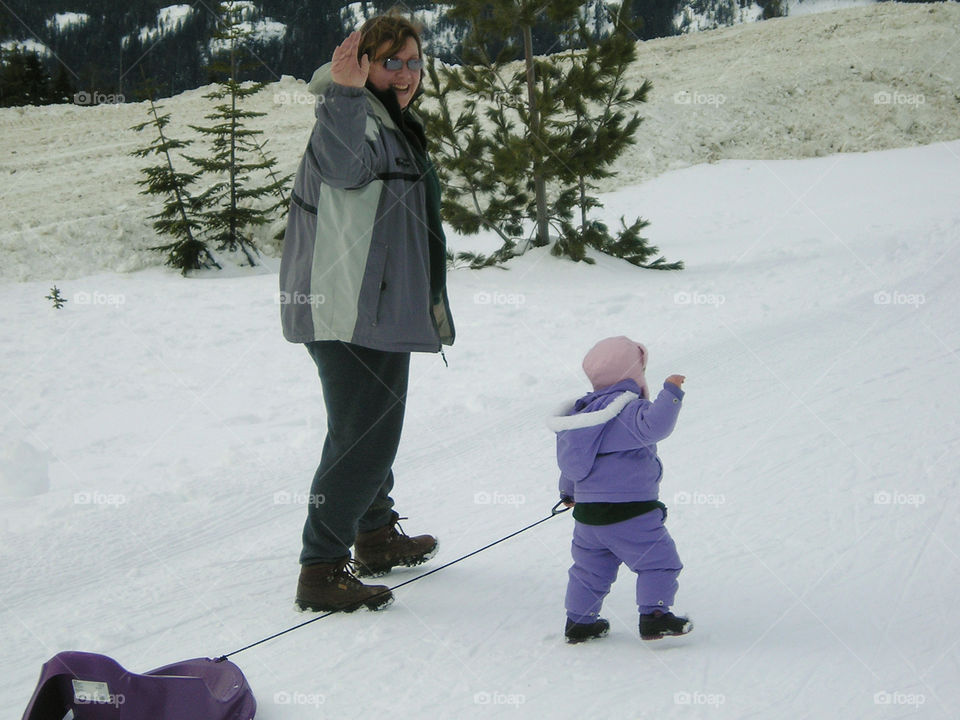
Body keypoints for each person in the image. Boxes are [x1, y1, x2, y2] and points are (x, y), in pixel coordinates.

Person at [278, 12, 455, 613]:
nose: (405, 74)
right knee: (364, 437)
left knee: (367, 426)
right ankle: (322, 566)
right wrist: (346, 92)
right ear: (363, 65)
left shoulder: (387, 120)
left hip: (371, 305)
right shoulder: (352, 116)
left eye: (413, 62)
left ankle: (375, 533)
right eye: (391, 62)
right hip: (348, 307)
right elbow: (341, 166)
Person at [547, 336, 692, 642]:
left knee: (589, 571)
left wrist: (568, 492)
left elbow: (572, 462)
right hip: (631, 514)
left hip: (588, 518)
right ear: (634, 374)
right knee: (659, 562)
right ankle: (656, 616)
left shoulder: (579, 417)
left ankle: (579, 623)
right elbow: (658, 425)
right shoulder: (628, 411)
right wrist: (672, 392)